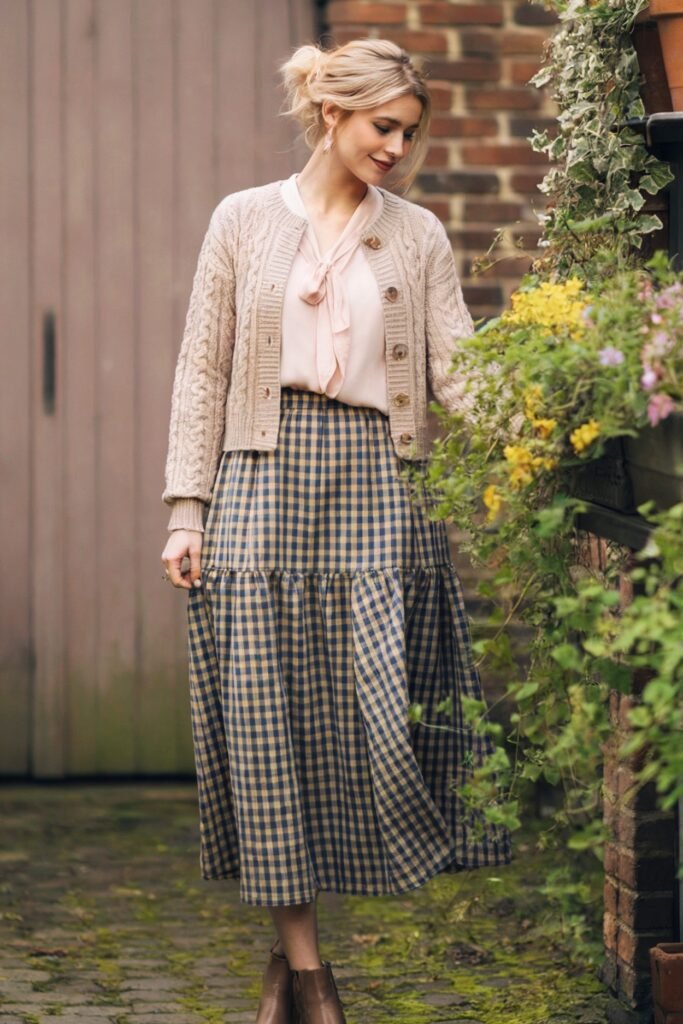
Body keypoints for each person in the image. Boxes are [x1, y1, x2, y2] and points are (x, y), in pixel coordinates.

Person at [160, 37, 512, 1024]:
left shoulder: (417, 234)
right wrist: (186, 509)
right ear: (331, 114)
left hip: (373, 485)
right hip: (259, 480)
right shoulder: (240, 220)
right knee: (266, 723)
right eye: (382, 128)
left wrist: (539, 419)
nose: (395, 148)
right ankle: (309, 973)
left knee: (371, 723)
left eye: (408, 134)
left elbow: (457, 369)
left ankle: (292, 959)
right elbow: (201, 368)